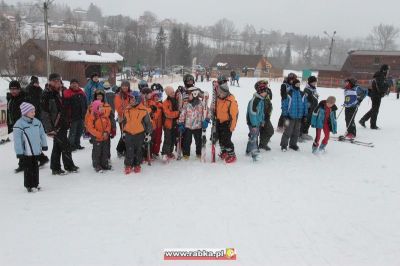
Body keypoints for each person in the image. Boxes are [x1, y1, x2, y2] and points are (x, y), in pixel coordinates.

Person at [41, 73, 78, 175]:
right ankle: (68, 166)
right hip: (55, 125)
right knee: (65, 145)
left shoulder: (63, 91)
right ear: (50, 82)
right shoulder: (47, 94)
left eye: (58, 81)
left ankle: (55, 167)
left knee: (57, 147)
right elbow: (45, 113)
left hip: (64, 122)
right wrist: (49, 128)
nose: (57, 83)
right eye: (54, 81)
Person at [13, 102, 48, 192]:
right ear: (25, 112)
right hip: (26, 152)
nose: (34, 113)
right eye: (31, 111)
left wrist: (44, 145)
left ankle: (35, 184)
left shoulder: (37, 122)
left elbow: (42, 134)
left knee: (35, 168)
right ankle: (29, 185)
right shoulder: (19, 124)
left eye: (34, 111)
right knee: (28, 169)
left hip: (36, 150)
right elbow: (17, 140)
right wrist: (19, 152)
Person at [123, 91, 153, 174]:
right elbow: (125, 122)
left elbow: (148, 123)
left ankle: (137, 164)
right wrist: (124, 132)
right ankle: (128, 165)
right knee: (129, 150)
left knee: (138, 150)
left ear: (137, 99)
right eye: (130, 99)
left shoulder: (143, 110)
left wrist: (148, 134)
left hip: (139, 133)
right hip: (129, 133)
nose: (131, 101)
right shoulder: (127, 109)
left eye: (132, 99)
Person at [178, 87, 210, 160]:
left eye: (189, 95)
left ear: (195, 94)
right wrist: (181, 124)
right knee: (187, 141)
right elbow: (182, 114)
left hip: (198, 127)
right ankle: (186, 154)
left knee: (199, 141)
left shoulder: (202, 104)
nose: (188, 96)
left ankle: (199, 153)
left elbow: (208, 112)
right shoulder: (186, 105)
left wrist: (207, 120)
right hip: (188, 127)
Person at [280, 79, 308, 152]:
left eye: (299, 84)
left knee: (296, 132)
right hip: (290, 116)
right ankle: (284, 145)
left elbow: (305, 105)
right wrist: (285, 114)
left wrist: (305, 115)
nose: (298, 86)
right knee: (287, 131)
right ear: (293, 85)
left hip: (299, 117)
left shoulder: (302, 94)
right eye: (296, 84)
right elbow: (284, 104)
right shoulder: (289, 93)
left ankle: (293, 144)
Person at [215, 76, 239, 163]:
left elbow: (234, 116)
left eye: (221, 93)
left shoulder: (231, 101)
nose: (219, 94)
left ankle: (232, 155)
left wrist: (231, 127)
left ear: (225, 93)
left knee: (226, 140)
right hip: (219, 122)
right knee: (220, 139)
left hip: (227, 124)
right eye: (219, 93)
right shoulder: (219, 98)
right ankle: (224, 152)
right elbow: (217, 109)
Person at [359, 64, 390, 129]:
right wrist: (387, 85)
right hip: (376, 95)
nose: (388, 72)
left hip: (376, 95)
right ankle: (373, 125)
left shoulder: (380, 76)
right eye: (387, 70)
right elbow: (380, 87)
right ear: (384, 70)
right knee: (375, 110)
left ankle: (363, 120)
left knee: (374, 109)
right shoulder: (380, 76)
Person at [85, 100, 112, 172]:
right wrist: (99, 134)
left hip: (105, 137)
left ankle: (104, 164)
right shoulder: (92, 117)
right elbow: (90, 128)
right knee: (97, 152)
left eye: (102, 107)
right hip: (97, 138)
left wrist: (106, 131)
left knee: (105, 151)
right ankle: (97, 165)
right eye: (99, 107)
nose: (101, 108)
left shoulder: (104, 115)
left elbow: (109, 124)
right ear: (95, 108)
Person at [7, 81, 27, 173]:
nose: (13, 91)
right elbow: (9, 113)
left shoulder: (24, 98)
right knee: (21, 145)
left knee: (23, 145)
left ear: (19, 89)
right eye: (11, 89)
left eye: (15, 89)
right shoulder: (10, 99)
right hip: (15, 125)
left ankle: (23, 164)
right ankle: (41, 158)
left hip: (24, 126)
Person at [63, 79, 87, 151]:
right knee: (72, 132)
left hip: (81, 116)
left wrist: (85, 113)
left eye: (76, 83)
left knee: (79, 131)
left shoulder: (81, 92)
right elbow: (65, 105)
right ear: (70, 84)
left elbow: (85, 103)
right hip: (72, 116)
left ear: (78, 84)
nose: (74, 85)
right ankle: (70, 145)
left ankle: (77, 144)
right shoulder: (67, 92)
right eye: (73, 83)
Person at [246, 81, 267, 161]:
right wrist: (254, 125)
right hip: (252, 123)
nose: (265, 93)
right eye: (264, 91)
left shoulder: (261, 100)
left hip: (257, 122)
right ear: (260, 92)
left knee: (253, 136)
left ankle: (248, 150)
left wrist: (262, 121)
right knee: (254, 137)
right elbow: (252, 113)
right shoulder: (255, 100)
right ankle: (255, 154)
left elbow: (261, 113)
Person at [161, 86, 180, 162]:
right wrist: (177, 113)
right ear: (168, 94)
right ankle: (164, 153)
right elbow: (168, 114)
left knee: (173, 139)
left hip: (175, 124)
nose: (173, 93)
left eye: (173, 92)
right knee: (167, 139)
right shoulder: (165, 103)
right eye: (171, 93)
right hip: (168, 124)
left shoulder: (176, 100)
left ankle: (170, 152)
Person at [114, 80, 132, 157]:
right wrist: (128, 110)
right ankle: (120, 149)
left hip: (131, 118)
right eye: (123, 86)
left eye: (126, 86)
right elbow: (119, 108)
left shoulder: (131, 95)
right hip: (123, 118)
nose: (125, 87)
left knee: (129, 134)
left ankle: (125, 149)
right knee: (124, 134)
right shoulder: (118, 96)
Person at [300, 76, 319, 141]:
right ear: (310, 82)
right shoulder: (307, 89)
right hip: (308, 109)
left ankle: (305, 133)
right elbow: (306, 99)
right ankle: (300, 134)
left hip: (313, 108)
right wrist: (308, 106)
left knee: (309, 121)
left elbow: (315, 98)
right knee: (304, 121)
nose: (314, 83)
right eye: (313, 82)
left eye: (315, 82)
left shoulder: (314, 89)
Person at [258, 80, 274, 151]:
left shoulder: (266, 95)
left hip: (266, 117)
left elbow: (270, 101)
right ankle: (256, 147)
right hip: (261, 118)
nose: (266, 85)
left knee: (266, 131)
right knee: (269, 131)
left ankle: (262, 144)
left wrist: (268, 114)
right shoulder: (259, 96)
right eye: (265, 84)